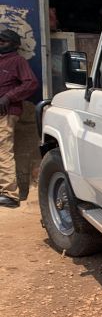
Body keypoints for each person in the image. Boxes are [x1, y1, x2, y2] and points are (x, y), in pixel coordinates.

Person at [0, 29, 39, 208]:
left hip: (6, 113)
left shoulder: (17, 61)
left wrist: (8, 97)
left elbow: (31, 83)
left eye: (4, 41)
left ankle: (10, 194)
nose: (0, 43)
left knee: (3, 150)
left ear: (15, 44)